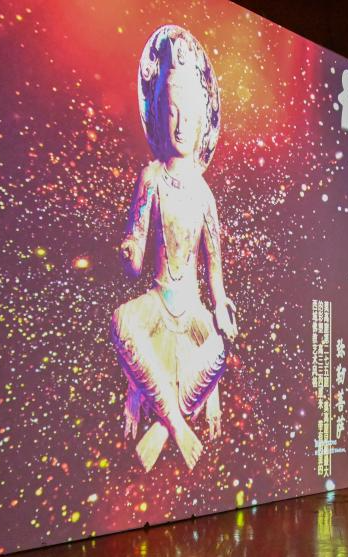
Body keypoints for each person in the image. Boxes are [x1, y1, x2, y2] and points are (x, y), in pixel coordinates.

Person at [112, 26, 238, 473]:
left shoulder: (205, 195)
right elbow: (134, 263)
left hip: (194, 307)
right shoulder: (150, 178)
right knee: (121, 321)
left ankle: (164, 426)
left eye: (191, 111)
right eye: (171, 110)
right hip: (159, 298)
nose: (182, 123)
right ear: (158, 112)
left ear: (206, 119)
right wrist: (128, 248)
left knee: (225, 341)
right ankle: (180, 425)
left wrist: (222, 308)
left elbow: (215, 279)